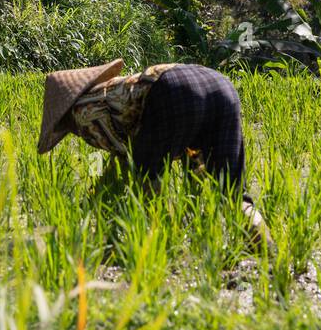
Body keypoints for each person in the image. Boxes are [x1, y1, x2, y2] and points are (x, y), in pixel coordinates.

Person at [37, 59, 270, 248]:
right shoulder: (113, 87)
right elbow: (124, 155)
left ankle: (165, 240)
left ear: (62, 114)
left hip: (172, 91)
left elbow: (125, 156)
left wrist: (94, 204)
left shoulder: (82, 112)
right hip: (220, 85)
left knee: (147, 176)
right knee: (231, 191)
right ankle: (267, 250)